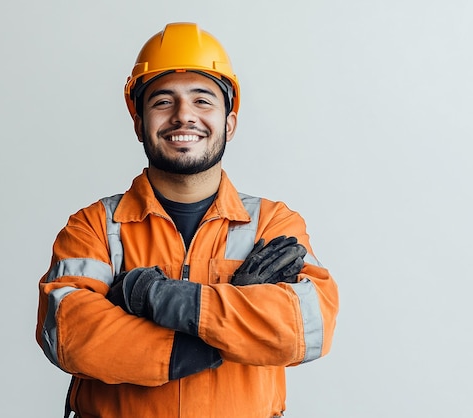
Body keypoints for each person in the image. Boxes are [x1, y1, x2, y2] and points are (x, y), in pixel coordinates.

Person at [36, 22, 339, 418]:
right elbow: (69, 334)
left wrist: (151, 297)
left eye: (202, 100)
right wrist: (232, 321)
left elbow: (305, 326)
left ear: (229, 122)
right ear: (138, 122)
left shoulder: (271, 223)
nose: (183, 116)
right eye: (163, 102)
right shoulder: (94, 226)